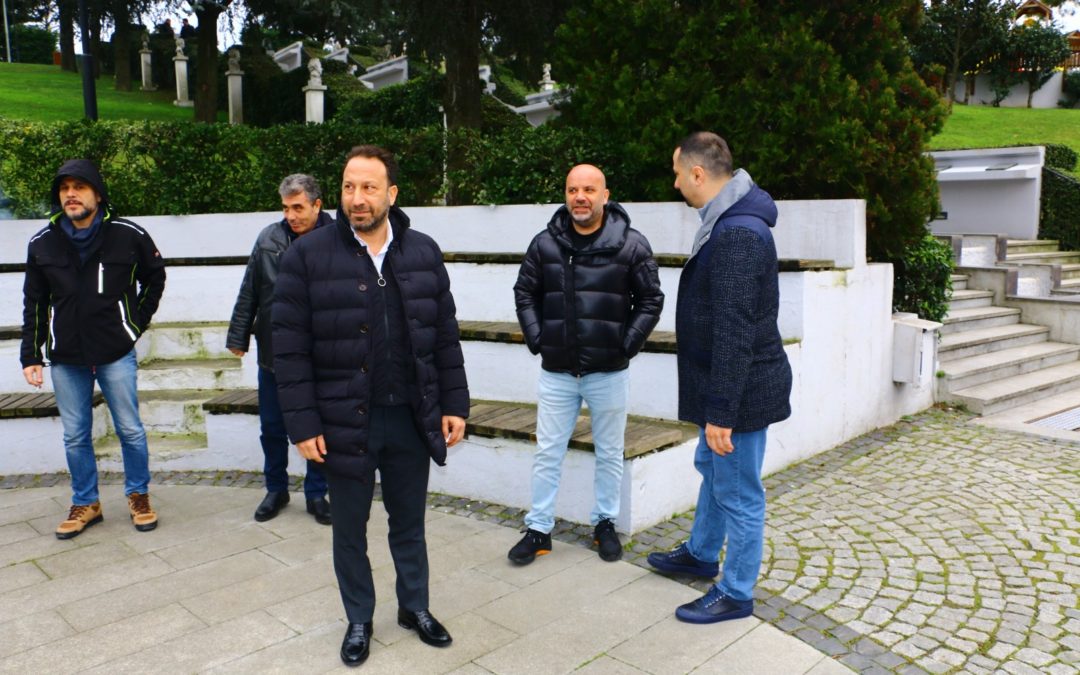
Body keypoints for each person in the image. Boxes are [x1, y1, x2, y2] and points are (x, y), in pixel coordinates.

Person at [272, 145, 469, 667]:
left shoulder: (423, 252)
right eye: (348, 187)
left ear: (391, 194)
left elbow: (444, 336)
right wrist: (303, 424)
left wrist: (455, 402)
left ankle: (414, 607)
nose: (357, 198)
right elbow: (288, 349)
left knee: (409, 523)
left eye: (369, 188)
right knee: (349, 530)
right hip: (342, 420)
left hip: (410, 416)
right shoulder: (307, 256)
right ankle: (359, 617)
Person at [646, 132, 792, 623]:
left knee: (738, 491)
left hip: (740, 394)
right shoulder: (726, 221)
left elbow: (735, 330)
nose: (675, 184)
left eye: (677, 174)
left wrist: (722, 412)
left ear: (697, 173)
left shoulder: (737, 234)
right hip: (725, 386)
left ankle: (736, 591)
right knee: (712, 470)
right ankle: (701, 553)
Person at [508, 164, 663, 565]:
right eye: (573, 189)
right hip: (557, 371)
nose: (580, 197)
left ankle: (604, 524)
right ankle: (539, 529)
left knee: (609, 452)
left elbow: (651, 299)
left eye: (589, 190)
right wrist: (539, 339)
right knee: (548, 452)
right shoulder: (544, 244)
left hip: (608, 372)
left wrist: (626, 344)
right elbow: (525, 292)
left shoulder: (632, 245)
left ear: (605, 196)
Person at [20, 159, 167, 540]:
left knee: (130, 429)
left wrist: (133, 325)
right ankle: (86, 503)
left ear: (98, 194)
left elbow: (155, 278)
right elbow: (34, 302)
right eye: (64, 188)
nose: (70, 194)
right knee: (75, 435)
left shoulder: (128, 235)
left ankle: (138, 496)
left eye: (79, 187)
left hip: (115, 351)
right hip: (66, 356)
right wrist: (31, 355)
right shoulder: (42, 243)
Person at [226, 174, 334, 525]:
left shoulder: (340, 239)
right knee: (272, 427)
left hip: (321, 355)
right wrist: (238, 336)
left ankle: (317, 493)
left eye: (298, 208)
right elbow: (250, 289)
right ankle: (276, 489)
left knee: (319, 427)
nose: (291, 215)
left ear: (317, 205)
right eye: (286, 208)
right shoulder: (268, 238)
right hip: (274, 354)